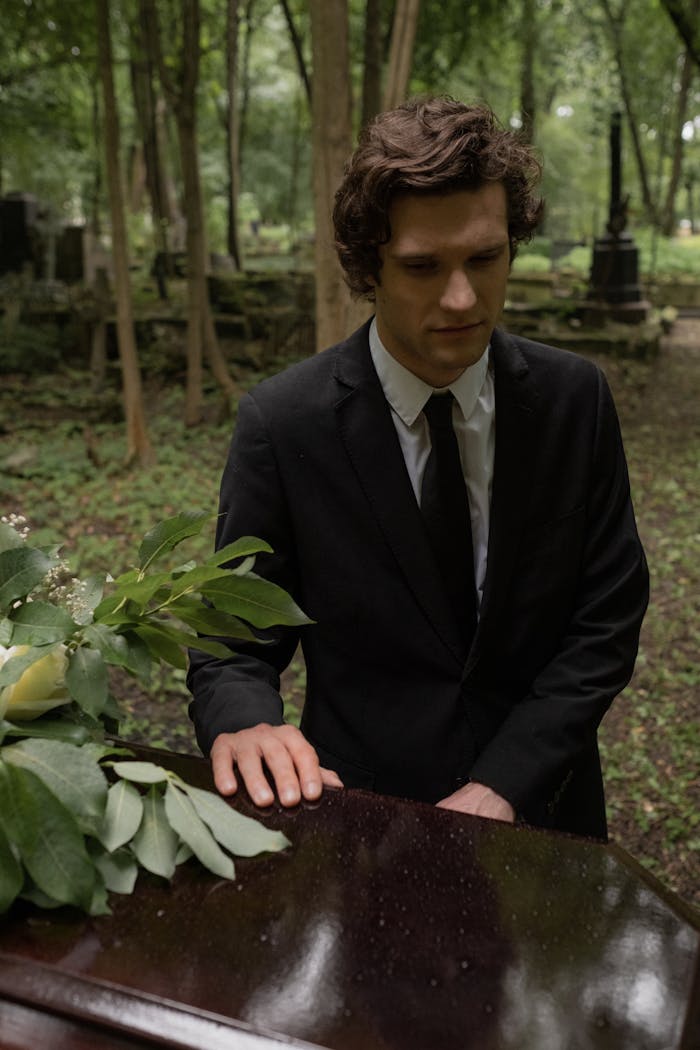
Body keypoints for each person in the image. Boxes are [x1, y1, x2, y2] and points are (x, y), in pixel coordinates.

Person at [187, 97, 649, 838]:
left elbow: (606, 617)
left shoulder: (575, 401)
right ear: (370, 266)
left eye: (485, 258)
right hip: (362, 828)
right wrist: (242, 722)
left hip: (547, 825)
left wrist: (505, 783)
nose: (462, 297)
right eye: (423, 267)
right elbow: (232, 643)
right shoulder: (284, 425)